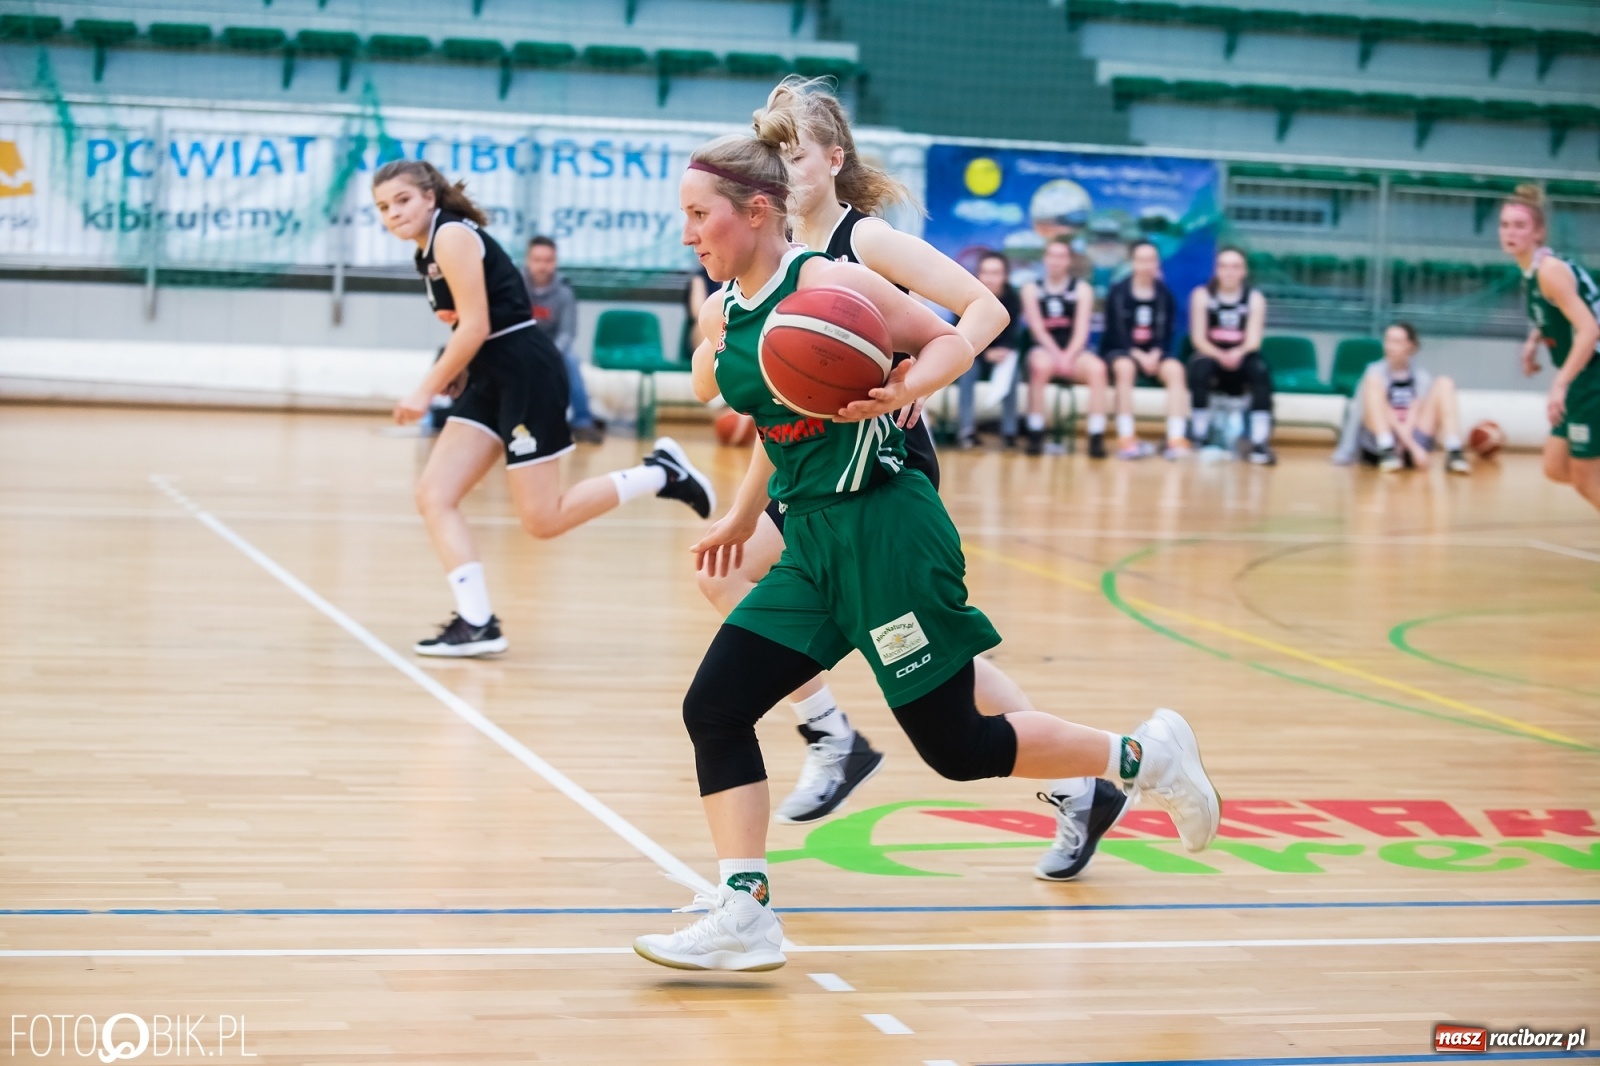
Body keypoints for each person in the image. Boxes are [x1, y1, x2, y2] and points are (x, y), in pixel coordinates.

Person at [633, 130, 1220, 973]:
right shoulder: (726, 307)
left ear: (756, 212)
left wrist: (911, 386)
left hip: (887, 535)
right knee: (715, 708)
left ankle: (1146, 756)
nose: (688, 233)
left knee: (957, 749)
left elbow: (950, 332)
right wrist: (738, 514)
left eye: (699, 215)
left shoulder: (834, 284)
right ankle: (745, 909)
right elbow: (750, 403)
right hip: (811, 541)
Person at [691, 80, 1122, 865]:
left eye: (795, 155)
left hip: (878, 463)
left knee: (925, 665)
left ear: (833, 158)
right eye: (772, 157)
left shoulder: (863, 246)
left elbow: (982, 312)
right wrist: (744, 506)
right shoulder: (763, 267)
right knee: (741, 590)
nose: (783, 172)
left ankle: (850, 742)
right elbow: (776, 409)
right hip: (809, 467)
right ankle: (840, 739)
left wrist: (916, 385)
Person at [371, 160, 716, 656]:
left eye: (402, 200)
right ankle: (478, 622)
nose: (394, 213)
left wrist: (426, 388)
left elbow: (475, 325)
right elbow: (470, 322)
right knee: (434, 494)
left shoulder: (450, 236)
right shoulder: (426, 252)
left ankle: (660, 474)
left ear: (429, 197)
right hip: (492, 376)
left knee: (542, 518)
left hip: (525, 372)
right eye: (383, 207)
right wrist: (462, 372)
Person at [1500, 184, 1600, 510]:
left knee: (1585, 478)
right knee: (1556, 467)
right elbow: (1555, 313)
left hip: (1593, 375)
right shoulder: (1532, 271)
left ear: (1538, 232)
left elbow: (1588, 330)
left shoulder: (1549, 272)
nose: (1509, 233)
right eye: (1504, 225)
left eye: (1519, 226)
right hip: (1582, 378)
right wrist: (1534, 340)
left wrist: (1560, 383)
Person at [1332, 322, 1470, 474]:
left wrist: (1411, 448)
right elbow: (1360, 412)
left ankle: (1454, 450)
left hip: (1411, 440)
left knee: (1445, 383)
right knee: (1372, 380)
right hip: (1381, 442)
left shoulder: (1421, 377)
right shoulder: (1374, 372)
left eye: (1397, 342)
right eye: (1388, 341)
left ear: (1410, 346)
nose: (1390, 347)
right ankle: (1387, 448)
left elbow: (1415, 414)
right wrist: (1346, 452)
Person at [1101, 240, 1189, 460]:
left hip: (1155, 354)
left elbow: (1166, 334)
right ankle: (1126, 437)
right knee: (1125, 368)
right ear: (1132, 263)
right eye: (1141, 260)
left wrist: (1156, 353)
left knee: (1176, 370)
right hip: (1123, 352)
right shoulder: (1118, 292)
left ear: (1158, 263)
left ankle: (1175, 438)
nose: (1146, 265)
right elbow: (1116, 333)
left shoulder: (1165, 295)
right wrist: (1137, 354)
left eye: (1151, 260)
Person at [1188, 248, 1276, 465]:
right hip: (1211, 353)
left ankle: (1259, 441)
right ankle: (1200, 434)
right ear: (1217, 270)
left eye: (1235, 267)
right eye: (1224, 266)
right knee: (1199, 369)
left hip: (1242, 354)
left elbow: (1254, 340)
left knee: (1260, 371)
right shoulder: (1202, 295)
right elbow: (1198, 338)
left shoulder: (1254, 298)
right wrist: (1220, 354)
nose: (1229, 272)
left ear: (1244, 271)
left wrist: (1237, 352)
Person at [1021, 238, 1105, 457]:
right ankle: (1036, 431)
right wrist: (1057, 355)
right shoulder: (1031, 289)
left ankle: (1096, 435)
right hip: (1044, 350)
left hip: (1074, 352)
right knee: (1039, 366)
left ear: (1068, 260)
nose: (1056, 261)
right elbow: (1037, 329)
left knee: (1098, 369)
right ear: (1045, 259)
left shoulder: (1082, 289)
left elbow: (1081, 329)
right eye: (1052, 256)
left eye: (1061, 256)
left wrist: (1068, 356)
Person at [523, 236, 602, 444]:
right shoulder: (514, 287)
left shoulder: (565, 293)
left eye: (548, 260)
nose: (542, 266)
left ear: (555, 262)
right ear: (527, 261)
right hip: (521, 344)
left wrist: (550, 353)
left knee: (572, 362)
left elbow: (567, 332)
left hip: (554, 347)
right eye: (537, 260)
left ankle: (583, 422)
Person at [955, 250, 1023, 449]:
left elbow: (1014, 332)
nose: (990, 278)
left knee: (1012, 372)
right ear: (979, 274)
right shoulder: (967, 295)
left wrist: (1004, 350)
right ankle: (966, 430)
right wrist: (985, 352)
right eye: (986, 272)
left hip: (1001, 352)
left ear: (1005, 276)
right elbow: (959, 332)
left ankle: (1009, 432)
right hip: (973, 351)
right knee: (966, 371)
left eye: (996, 273)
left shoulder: (1012, 298)